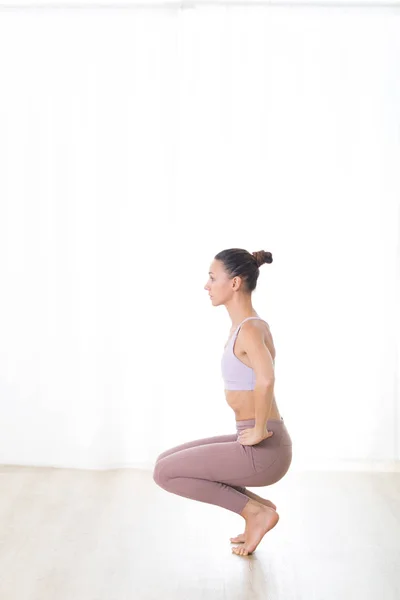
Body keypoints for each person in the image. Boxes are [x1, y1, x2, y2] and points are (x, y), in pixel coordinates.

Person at [153, 248, 292, 556]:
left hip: (264, 447)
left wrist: (257, 430)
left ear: (235, 283)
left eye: (212, 278)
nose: (207, 286)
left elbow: (266, 378)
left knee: (165, 474)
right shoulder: (244, 327)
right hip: (259, 441)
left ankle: (255, 513)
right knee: (164, 463)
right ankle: (257, 508)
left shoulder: (251, 329)